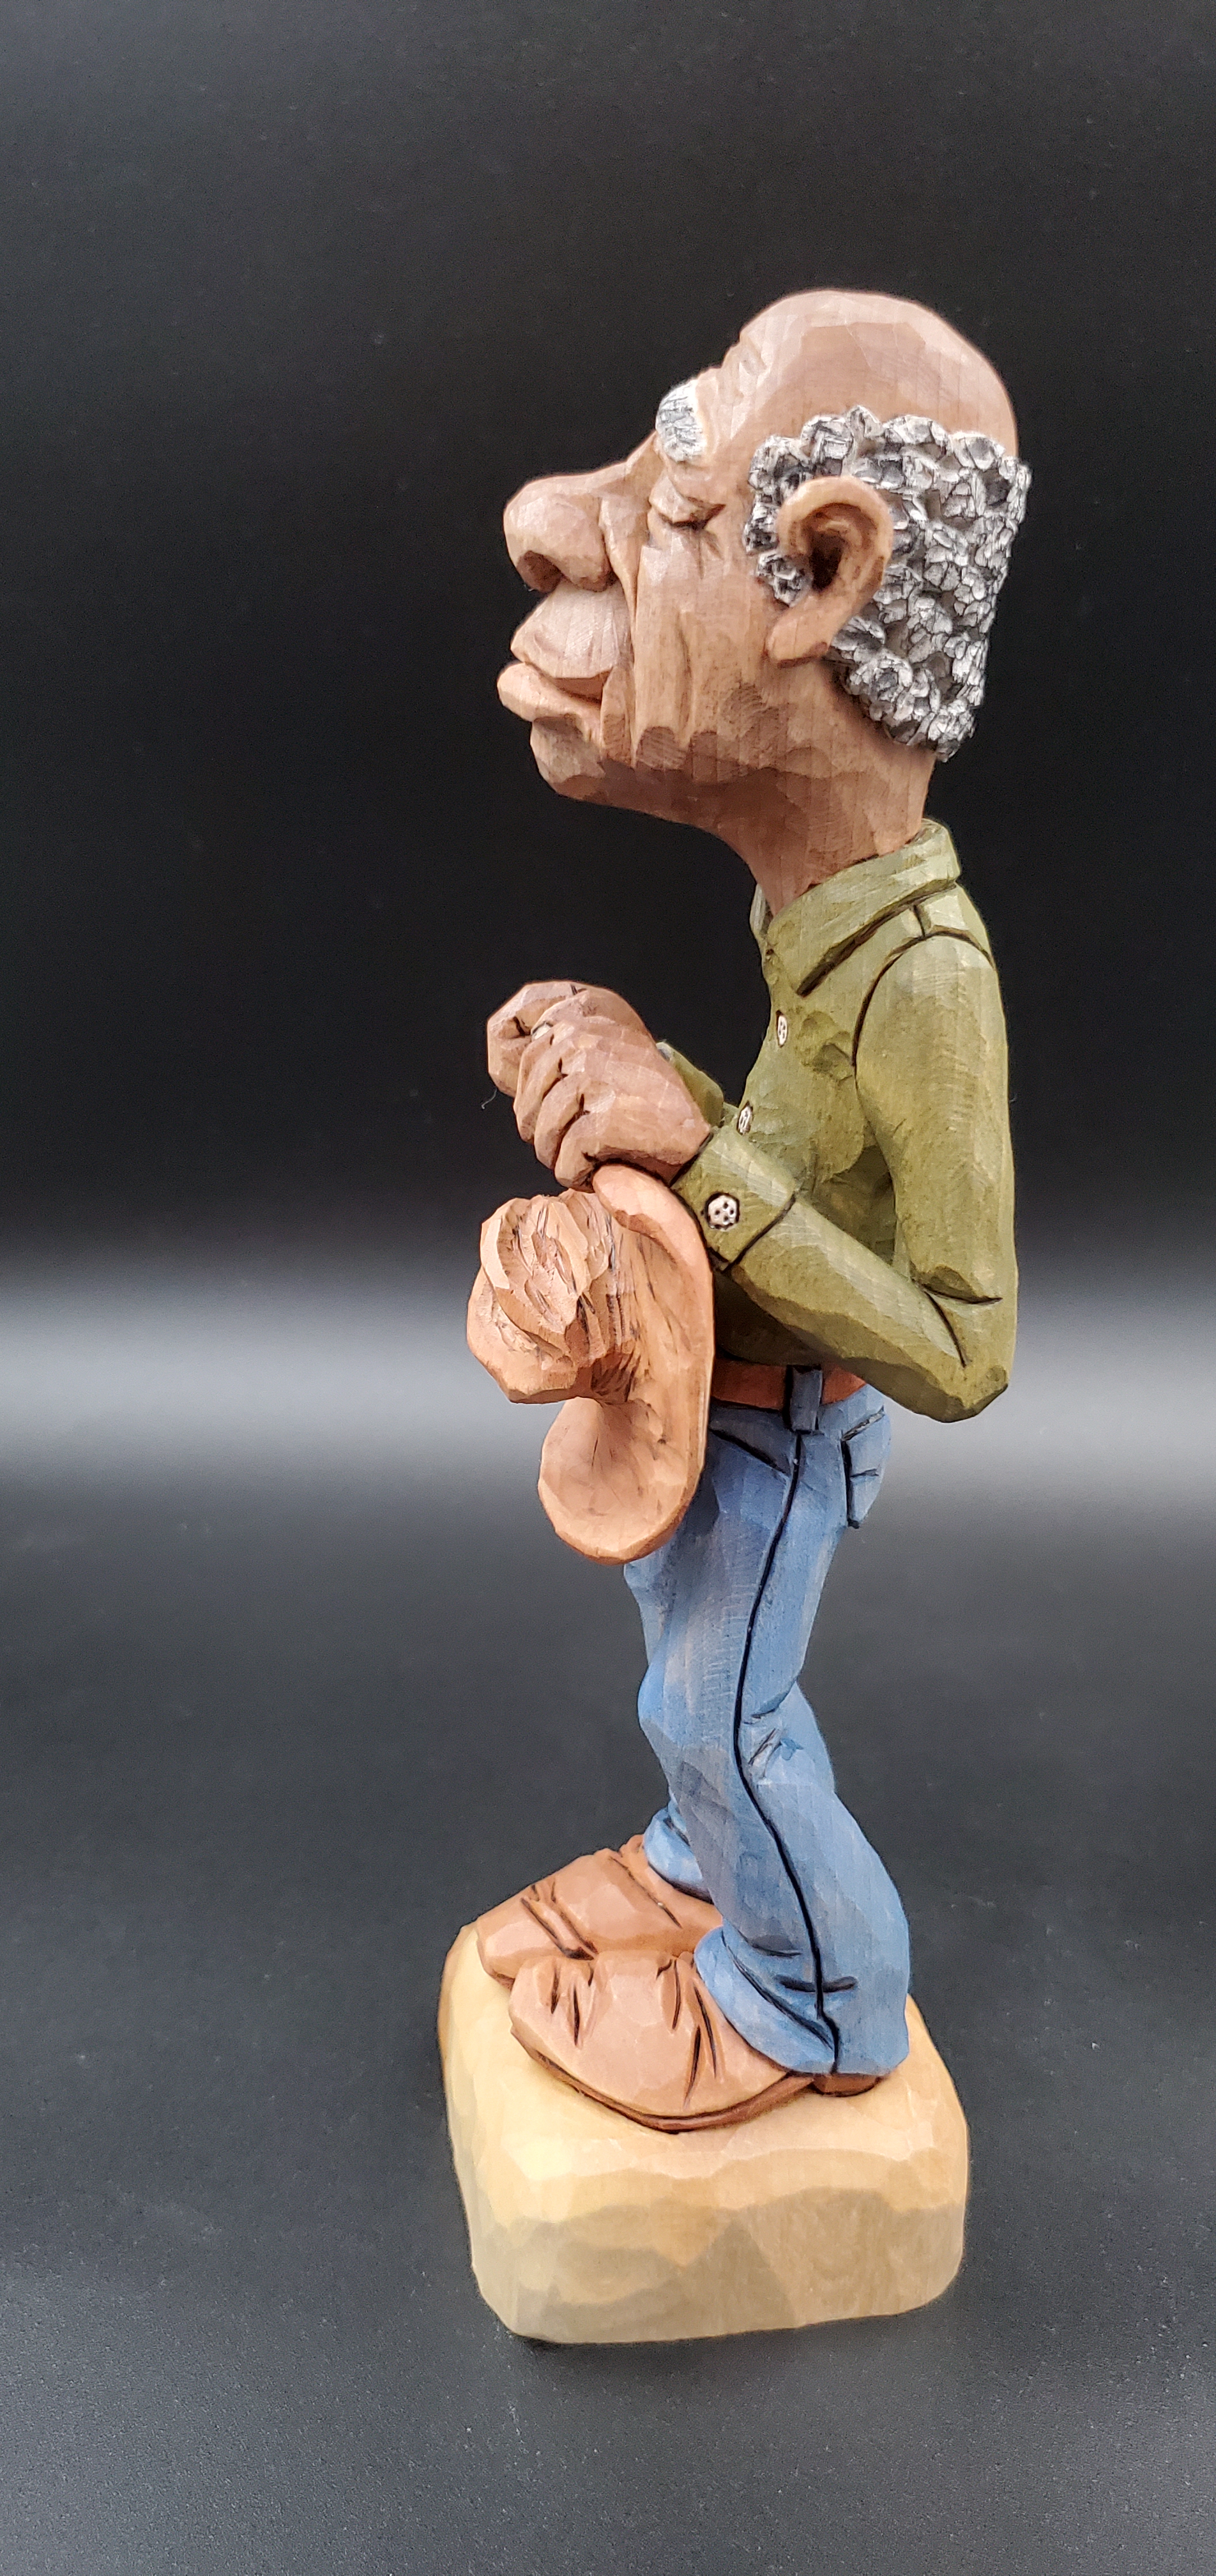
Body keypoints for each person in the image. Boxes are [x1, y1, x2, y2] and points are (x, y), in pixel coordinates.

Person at [474, 290, 1026, 2132]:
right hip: (717, 1406)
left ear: (827, 576)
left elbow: (966, 1347)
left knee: (723, 1711)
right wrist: (647, 1075)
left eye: (676, 500)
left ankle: (813, 1996)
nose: (555, 524)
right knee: (685, 1685)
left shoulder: (926, 976)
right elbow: (797, 1164)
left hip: (790, 1432)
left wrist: (695, 1162)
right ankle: (707, 1864)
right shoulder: (819, 918)